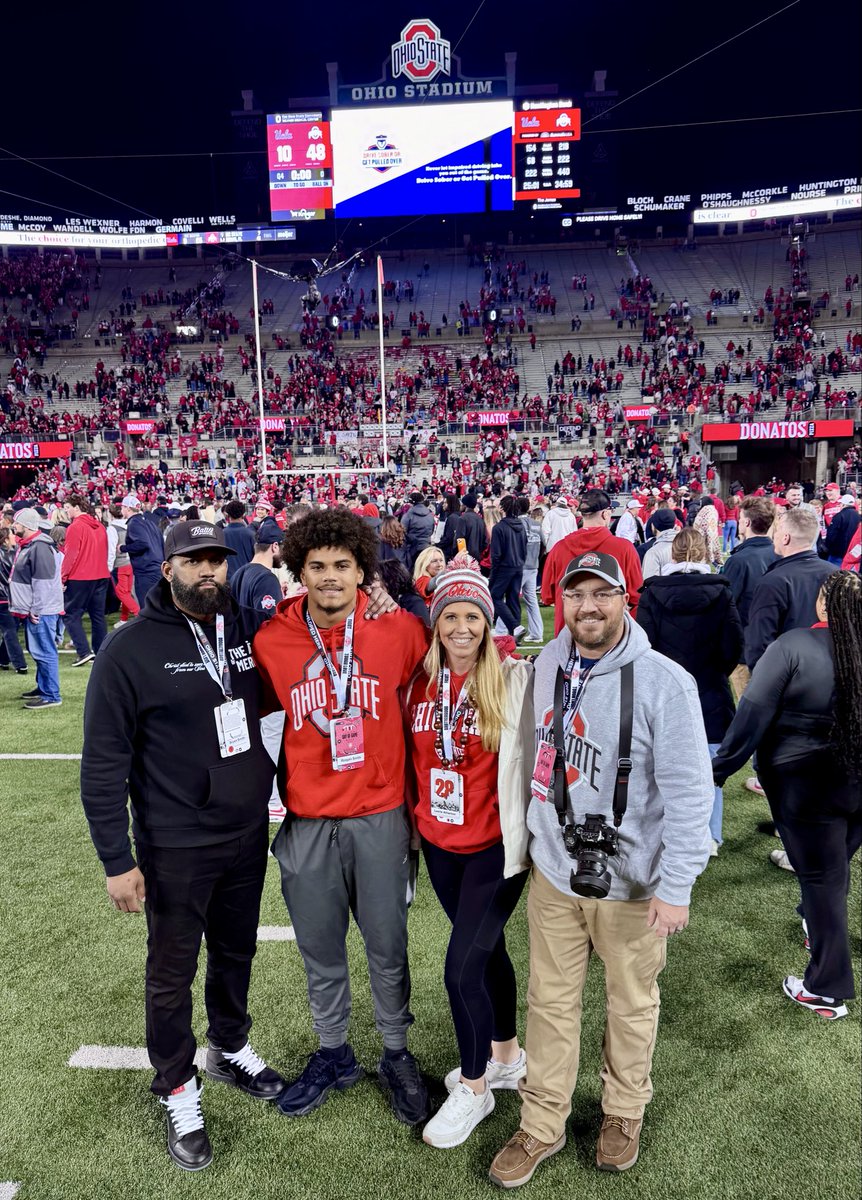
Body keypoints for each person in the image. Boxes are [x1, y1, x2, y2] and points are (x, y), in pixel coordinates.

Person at [489, 549, 713, 1186]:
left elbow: (692, 794)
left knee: (631, 1003)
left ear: (625, 599)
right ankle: (542, 1122)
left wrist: (677, 886)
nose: (587, 607)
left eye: (602, 594)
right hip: (557, 871)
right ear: (561, 599)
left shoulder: (665, 681)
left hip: (634, 882)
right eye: (576, 594)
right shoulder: (552, 659)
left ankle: (623, 1111)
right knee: (549, 1003)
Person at [80, 519, 284, 1173]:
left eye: (216, 561)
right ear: (166, 569)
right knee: (171, 974)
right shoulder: (130, 648)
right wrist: (116, 859)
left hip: (247, 830)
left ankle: (228, 1046)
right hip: (174, 844)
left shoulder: (246, 629)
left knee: (236, 950)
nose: (207, 572)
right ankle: (176, 1085)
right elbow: (103, 763)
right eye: (192, 561)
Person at [252, 509, 431, 1126]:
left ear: (363, 572)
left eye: (343, 566)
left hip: (379, 815)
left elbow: (450, 678)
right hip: (305, 820)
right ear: (298, 570)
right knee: (320, 950)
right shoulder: (272, 638)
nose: (330, 578)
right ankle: (333, 1053)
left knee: (388, 946)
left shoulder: (401, 631)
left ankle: (395, 1053)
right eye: (317, 566)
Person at [404, 555, 534, 1148]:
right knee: (486, 953)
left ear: (487, 621)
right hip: (439, 842)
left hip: (494, 848)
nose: (462, 627)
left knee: (460, 969)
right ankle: (506, 1055)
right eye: (450, 615)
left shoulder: (512, 678)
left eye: (472, 616)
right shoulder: (418, 680)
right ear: (436, 622)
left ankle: (476, 1088)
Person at [712, 572, 861, 1020]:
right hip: (851, 784)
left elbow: (752, 714)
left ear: (822, 605)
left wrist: (715, 773)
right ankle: (817, 928)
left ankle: (826, 988)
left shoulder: (793, 646)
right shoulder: (801, 646)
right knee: (829, 873)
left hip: (803, 785)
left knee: (823, 879)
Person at [637, 529, 743, 855]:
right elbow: (733, 647)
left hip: (665, 694)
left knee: (658, 769)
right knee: (708, 771)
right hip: (709, 689)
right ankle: (708, 836)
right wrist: (713, 675)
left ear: (674, 554)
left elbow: (643, 646)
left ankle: (668, 834)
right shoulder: (721, 593)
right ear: (703, 553)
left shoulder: (654, 593)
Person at [231, 515, 288, 822]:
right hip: (261, 668)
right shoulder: (265, 578)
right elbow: (270, 627)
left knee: (251, 737)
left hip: (240, 662)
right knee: (272, 736)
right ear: (274, 546)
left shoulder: (240, 573)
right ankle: (273, 799)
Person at [745, 507, 838, 670]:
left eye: (777, 531)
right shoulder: (837, 575)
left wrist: (764, 682)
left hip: (787, 677)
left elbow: (759, 641)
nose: (774, 536)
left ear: (785, 538)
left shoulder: (773, 581)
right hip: (830, 673)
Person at [541, 490, 643, 634]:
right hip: (610, 638)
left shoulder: (559, 548)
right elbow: (636, 596)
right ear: (605, 514)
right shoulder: (624, 548)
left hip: (568, 637)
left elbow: (547, 596)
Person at [720, 496, 778, 700]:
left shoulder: (739, 560)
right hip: (775, 644)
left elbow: (725, 604)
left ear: (746, 522)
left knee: (748, 706)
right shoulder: (780, 553)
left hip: (746, 649)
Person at [9, 508, 64, 708]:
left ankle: (51, 695)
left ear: (26, 525)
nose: (13, 526)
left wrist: (36, 609)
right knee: (38, 650)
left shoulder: (39, 547)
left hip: (42, 610)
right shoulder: (33, 544)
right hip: (39, 608)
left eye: (16, 522)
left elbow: (44, 582)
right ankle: (44, 688)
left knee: (44, 650)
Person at [61, 493, 110, 667]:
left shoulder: (75, 527)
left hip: (81, 576)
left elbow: (71, 554)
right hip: (101, 574)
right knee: (98, 616)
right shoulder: (100, 526)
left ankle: (83, 652)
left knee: (70, 615)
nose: (66, 512)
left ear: (76, 508)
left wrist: (63, 577)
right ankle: (101, 652)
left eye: (67, 508)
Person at [489, 494, 527, 639]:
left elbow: (496, 555)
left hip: (504, 567)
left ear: (503, 508)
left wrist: (493, 574)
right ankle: (515, 634)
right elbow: (524, 547)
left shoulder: (499, 528)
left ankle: (515, 627)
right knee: (513, 599)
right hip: (518, 566)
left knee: (495, 597)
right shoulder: (521, 526)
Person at [122, 494, 164, 602]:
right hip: (158, 569)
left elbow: (143, 544)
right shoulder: (150, 523)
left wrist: (123, 548)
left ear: (127, 508)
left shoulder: (134, 523)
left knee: (147, 608)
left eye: (122, 507)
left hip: (146, 572)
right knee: (160, 607)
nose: (121, 509)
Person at [0, 526, 28, 675]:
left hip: (8, 599)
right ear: (5, 539)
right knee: (10, 631)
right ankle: (20, 664)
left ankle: (3, 659)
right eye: (11, 534)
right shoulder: (15, 554)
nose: (14, 536)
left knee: (10, 630)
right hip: (8, 598)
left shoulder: (15, 553)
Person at [106, 503, 139, 622]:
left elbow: (111, 549)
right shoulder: (129, 525)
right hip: (130, 562)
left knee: (122, 593)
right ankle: (124, 619)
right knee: (127, 593)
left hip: (119, 564)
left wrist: (108, 567)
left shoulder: (112, 528)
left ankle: (140, 616)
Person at [641, 508, 678, 580]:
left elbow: (649, 582)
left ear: (653, 526)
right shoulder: (688, 546)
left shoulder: (653, 552)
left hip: (663, 590)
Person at [401, 491, 435, 569]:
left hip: (412, 548)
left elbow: (402, 531)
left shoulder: (408, 515)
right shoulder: (430, 514)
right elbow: (432, 530)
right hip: (427, 546)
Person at [222, 500, 256, 579]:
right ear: (243, 514)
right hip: (247, 577)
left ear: (227, 514)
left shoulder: (221, 534)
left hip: (228, 577)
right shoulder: (251, 534)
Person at [824, 495, 860, 566]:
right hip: (852, 553)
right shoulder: (858, 516)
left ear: (843, 504)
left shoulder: (839, 516)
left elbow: (831, 534)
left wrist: (827, 547)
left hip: (837, 553)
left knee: (833, 573)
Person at [461, 493, 490, 562]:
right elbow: (485, 541)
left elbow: (459, 539)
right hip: (478, 556)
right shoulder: (480, 519)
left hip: (465, 557)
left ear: (465, 505)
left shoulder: (463, 519)